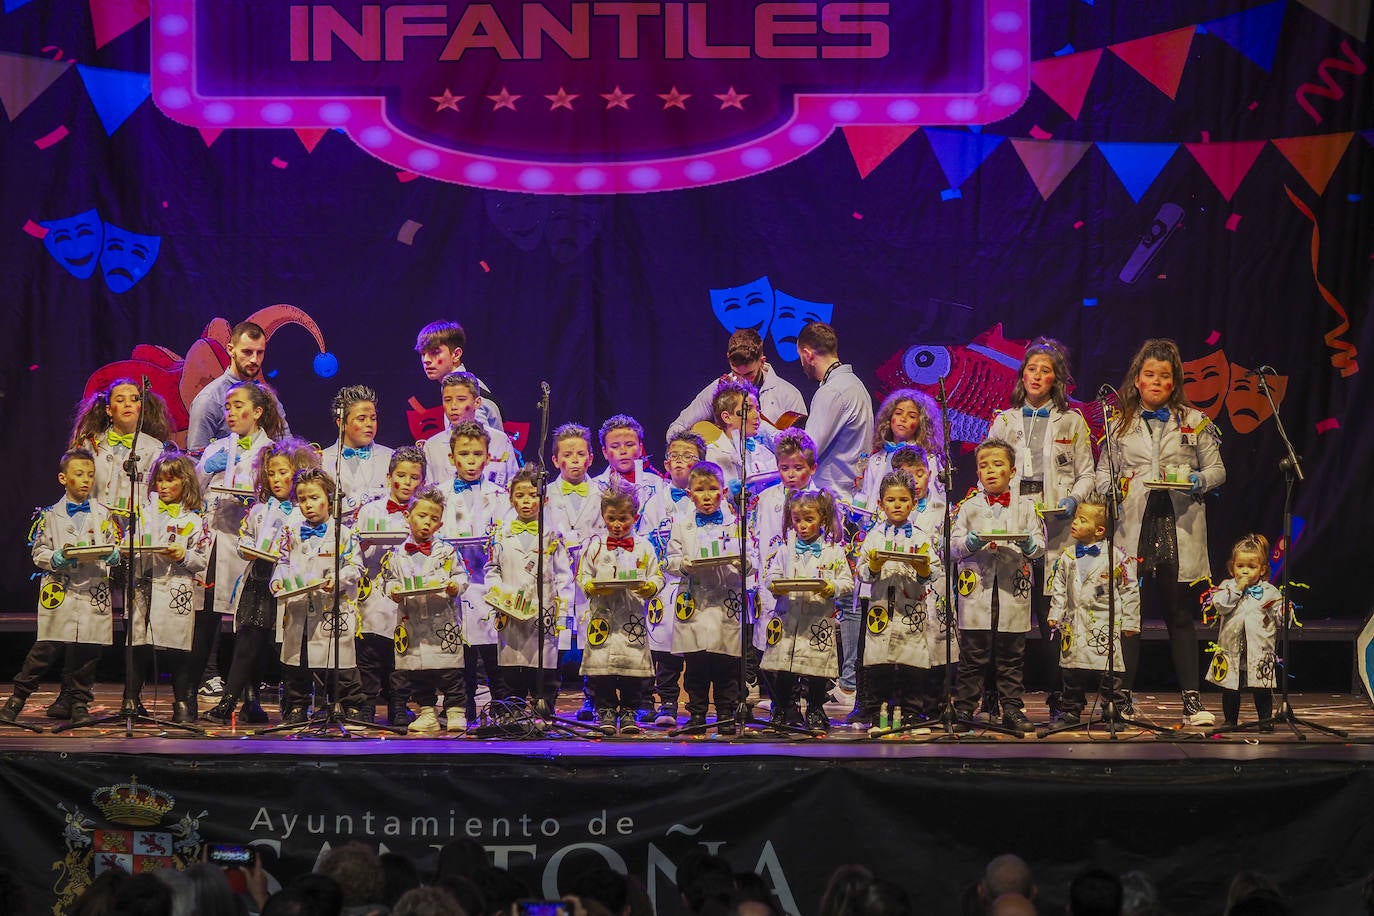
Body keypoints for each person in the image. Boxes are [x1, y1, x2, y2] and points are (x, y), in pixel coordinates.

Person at [1098, 338, 1224, 726]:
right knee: (1129, 617)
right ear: (1137, 380)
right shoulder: (1117, 422)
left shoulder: (1195, 420)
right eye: (1148, 374)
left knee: (1178, 614)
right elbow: (1104, 472)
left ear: (1174, 382)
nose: (1155, 381)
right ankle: (1123, 699)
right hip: (1133, 525)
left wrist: (1196, 480)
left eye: (1163, 376)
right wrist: (1110, 489)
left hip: (1175, 523)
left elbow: (1219, 471)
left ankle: (1192, 703)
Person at [986, 339, 1096, 719]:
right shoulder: (1004, 419)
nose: (1037, 376)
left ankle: (1062, 697)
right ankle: (1000, 696)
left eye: (1045, 370)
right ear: (1022, 374)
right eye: (1031, 369)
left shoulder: (1072, 420)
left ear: (1056, 378)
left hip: (1058, 525)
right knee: (1007, 613)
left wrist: (1072, 500)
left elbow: (1087, 474)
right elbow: (989, 469)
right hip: (1015, 523)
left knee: (1055, 613)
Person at [0, 449, 119, 727]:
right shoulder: (50, 515)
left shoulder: (103, 514)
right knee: (46, 647)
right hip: (61, 589)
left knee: (88, 649)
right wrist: (54, 558)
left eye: (90, 475)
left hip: (92, 589)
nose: (85, 480)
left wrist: (114, 554)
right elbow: (38, 550)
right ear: (63, 478)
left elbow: (112, 543)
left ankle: (79, 702)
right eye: (79, 474)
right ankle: (17, 699)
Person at [205, 437, 319, 725]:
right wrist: (246, 547)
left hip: (289, 584)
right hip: (259, 579)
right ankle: (235, 701)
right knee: (248, 640)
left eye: (284, 472)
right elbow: (246, 538)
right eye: (272, 473)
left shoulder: (302, 511)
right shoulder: (258, 509)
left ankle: (295, 703)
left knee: (284, 645)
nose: (277, 478)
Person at [191, 380, 284, 714]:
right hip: (217, 543)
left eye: (239, 406)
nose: (231, 413)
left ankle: (250, 696)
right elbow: (195, 494)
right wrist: (203, 470)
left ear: (257, 412)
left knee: (249, 623)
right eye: (228, 407)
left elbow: (279, 495)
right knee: (207, 619)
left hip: (251, 546)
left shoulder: (270, 451)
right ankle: (190, 691)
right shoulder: (217, 449)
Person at [951, 439, 1046, 733]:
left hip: (1011, 591)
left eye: (997, 465)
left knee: (1010, 655)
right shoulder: (968, 508)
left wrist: (1030, 544)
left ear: (1013, 471)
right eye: (983, 466)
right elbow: (952, 548)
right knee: (973, 654)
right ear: (977, 473)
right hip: (977, 590)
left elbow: (1040, 546)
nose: (990, 471)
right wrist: (971, 542)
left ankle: (1012, 709)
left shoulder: (1027, 507)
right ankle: (965, 708)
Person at [269, 467, 367, 724]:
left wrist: (337, 580)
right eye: (302, 499)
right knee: (296, 659)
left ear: (329, 498)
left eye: (314, 498)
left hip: (331, 608)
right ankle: (296, 705)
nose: (308, 505)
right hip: (299, 605)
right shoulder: (291, 532)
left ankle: (349, 704)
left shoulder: (343, 534)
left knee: (339, 658)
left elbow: (355, 567)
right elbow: (282, 561)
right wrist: (277, 580)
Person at [854, 469, 949, 734]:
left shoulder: (921, 537)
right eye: (891, 500)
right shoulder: (873, 536)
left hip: (910, 610)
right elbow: (862, 572)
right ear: (881, 503)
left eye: (903, 500)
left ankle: (911, 714)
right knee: (879, 664)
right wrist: (872, 566)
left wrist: (922, 569)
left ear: (913, 503)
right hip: (881, 608)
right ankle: (878, 715)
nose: (897, 505)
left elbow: (934, 571)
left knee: (911, 663)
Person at [126, 450, 211, 716]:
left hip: (175, 587)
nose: (163, 486)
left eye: (170, 480)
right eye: (159, 481)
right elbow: (130, 542)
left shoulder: (195, 520)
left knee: (177, 646)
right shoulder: (143, 513)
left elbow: (201, 560)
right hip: (144, 584)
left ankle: (181, 704)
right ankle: (131, 700)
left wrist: (183, 554)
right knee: (137, 644)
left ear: (184, 482)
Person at [762, 488, 853, 734]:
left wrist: (831, 587)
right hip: (788, 617)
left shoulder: (833, 551)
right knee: (784, 668)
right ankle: (782, 709)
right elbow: (771, 576)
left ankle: (815, 710)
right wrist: (775, 585)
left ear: (822, 518)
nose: (802, 526)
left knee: (816, 670)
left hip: (816, 620)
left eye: (808, 520)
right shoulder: (784, 550)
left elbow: (847, 583)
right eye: (797, 520)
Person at [439, 420, 512, 723]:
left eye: (477, 454)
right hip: (457, 585)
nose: (471, 461)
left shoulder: (500, 495)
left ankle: (504, 705)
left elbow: (506, 535)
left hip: (489, 583)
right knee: (461, 652)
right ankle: (461, 705)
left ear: (488, 456)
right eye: (464, 454)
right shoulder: (439, 495)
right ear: (452, 457)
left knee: (495, 651)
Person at [666, 462, 747, 734]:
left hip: (725, 602)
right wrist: (683, 565)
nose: (707, 495)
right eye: (700, 490)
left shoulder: (735, 524)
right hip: (695, 602)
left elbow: (751, 560)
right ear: (690, 494)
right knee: (696, 665)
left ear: (723, 492)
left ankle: (725, 713)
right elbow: (671, 559)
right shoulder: (682, 525)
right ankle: (697, 713)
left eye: (713, 489)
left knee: (726, 664)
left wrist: (743, 563)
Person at [382, 485, 469, 734]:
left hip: (442, 622)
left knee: (450, 671)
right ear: (408, 516)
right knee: (418, 672)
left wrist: (455, 586)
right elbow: (387, 581)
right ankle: (427, 712)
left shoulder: (448, 551)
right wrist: (394, 591)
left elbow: (462, 575)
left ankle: (455, 712)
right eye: (421, 516)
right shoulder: (397, 554)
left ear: (440, 526)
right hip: (412, 623)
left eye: (433, 519)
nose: (426, 523)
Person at [486, 465, 574, 712]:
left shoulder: (552, 535)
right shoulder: (500, 534)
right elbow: (492, 569)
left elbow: (563, 576)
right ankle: (512, 713)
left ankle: (544, 711)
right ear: (511, 498)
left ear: (544, 499)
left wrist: (563, 613)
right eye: (521, 495)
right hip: (511, 612)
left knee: (544, 666)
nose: (527, 501)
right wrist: (499, 594)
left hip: (543, 613)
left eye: (533, 495)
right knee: (512, 668)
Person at [579, 480, 663, 734]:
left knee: (631, 669)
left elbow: (656, 576)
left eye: (623, 519)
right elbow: (583, 575)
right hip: (602, 617)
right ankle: (604, 709)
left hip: (631, 617)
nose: (617, 524)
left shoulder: (645, 547)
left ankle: (628, 711)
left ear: (635, 517)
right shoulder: (593, 547)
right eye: (611, 518)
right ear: (603, 515)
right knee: (601, 669)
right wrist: (590, 586)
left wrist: (650, 587)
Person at [1047, 495, 1140, 725]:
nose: (1075, 523)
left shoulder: (1116, 558)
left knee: (1108, 673)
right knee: (1072, 672)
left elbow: (1130, 590)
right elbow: (1058, 588)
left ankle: (1113, 709)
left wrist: (1130, 622)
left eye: (1082, 520)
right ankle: (1071, 710)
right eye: (1076, 518)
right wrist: (1055, 614)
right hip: (1074, 623)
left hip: (1103, 624)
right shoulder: (1067, 557)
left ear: (1099, 530)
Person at [352, 446, 427, 726]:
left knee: (402, 655)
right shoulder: (370, 511)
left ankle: (399, 706)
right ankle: (367, 706)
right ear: (388, 477)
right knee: (370, 655)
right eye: (401, 476)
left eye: (414, 477)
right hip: (374, 593)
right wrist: (363, 545)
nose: (407, 483)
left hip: (408, 593)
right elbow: (355, 553)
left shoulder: (423, 513)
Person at [642, 430, 706, 727]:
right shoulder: (655, 502)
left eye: (688, 456)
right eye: (674, 456)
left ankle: (696, 704)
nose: (680, 462)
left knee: (694, 646)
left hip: (698, 582)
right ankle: (666, 700)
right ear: (666, 464)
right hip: (667, 582)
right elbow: (644, 539)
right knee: (665, 646)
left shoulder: (709, 499)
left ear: (701, 463)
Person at [544, 422, 604, 721]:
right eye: (568, 454)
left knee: (593, 638)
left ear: (591, 458)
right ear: (556, 460)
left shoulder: (604, 492)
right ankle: (547, 698)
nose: (576, 460)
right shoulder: (544, 493)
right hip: (557, 578)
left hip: (592, 576)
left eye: (582, 453)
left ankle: (592, 698)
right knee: (555, 638)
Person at [666, 327, 807, 441]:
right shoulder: (719, 387)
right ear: (728, 358)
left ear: (762, 362)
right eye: (736, 373)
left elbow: (805, 448)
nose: (741, 381)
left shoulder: (789, 395)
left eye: (748, 375)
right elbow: (677, 428)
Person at [1206, 533, 1283, 731]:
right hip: (1233, 648)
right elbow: (1221, 606)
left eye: (1251, 567)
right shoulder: (1226, 587)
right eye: (1240, 566)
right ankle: (1230, 720)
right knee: (1231, 687)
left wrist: (1285, 611)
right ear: (1233, 568)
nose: (1245, 571)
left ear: (1262, 569)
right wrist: (1238, 588)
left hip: (1258, 649)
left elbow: (1281, 619)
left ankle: (1264, 720)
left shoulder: (1270, 591)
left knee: (1262, 686)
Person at [70, 377, 174, 513]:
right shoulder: (89, 445)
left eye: (134, 399)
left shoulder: (156, 449)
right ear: (109, 410)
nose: (127, 404)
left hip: (136, 527)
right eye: (120, 400)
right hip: (93, 524)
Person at [794, 321, 873, 499]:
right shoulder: (855, 384)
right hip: (851, 497)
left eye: (800, 357)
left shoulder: (832, 391)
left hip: (833, 503)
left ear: (807, 355)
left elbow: (806, 452)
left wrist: (763, 430)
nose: (801, 364)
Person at [187, 320, 290, 451]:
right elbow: (194, 459)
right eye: (247, 352)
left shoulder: (269, 398)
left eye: (260, 352)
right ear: (231, 350)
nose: (254, 359)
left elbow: (287, 449)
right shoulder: (210, 399)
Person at [856, 388, 944, 515]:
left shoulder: (928, 461)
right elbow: (867, 497)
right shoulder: (876, 459)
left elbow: (936, 502)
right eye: (898, 413)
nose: (903, 419)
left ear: (921, 423)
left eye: (911, 416)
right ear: (889, 417)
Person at [423, 371, 519, 488]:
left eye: (461, 399)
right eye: (447, 400)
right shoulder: (433, 446)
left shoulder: (499, 441)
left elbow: (513, 485)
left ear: (477, 402)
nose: (453, 406)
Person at [320, 385, 393, 527]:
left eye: (373, 418)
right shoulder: (323, 460)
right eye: (361, 419)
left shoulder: (391, 458)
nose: (369, 424)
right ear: (341, 423)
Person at [414, 319, 503, 431]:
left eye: (434, 352)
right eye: (423, 353)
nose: (426, 360)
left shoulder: (468, 390)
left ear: (456, 354)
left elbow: (477, 443)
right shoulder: (462, 385)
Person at [593, 414, 669, 534]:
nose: (623, 451)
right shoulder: (595, 487)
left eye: (629, 445)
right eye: (615, 446)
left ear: (640, 448)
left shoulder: (657, 483)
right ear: (605, 452)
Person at [703, 379, 778, 497]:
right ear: (727, 417)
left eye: (757, 409)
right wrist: (731, 495)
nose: (757, 415)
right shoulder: (712, 455)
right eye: (748, 409)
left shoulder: (764, 452)